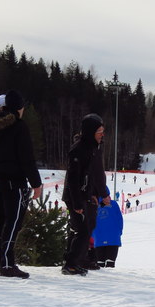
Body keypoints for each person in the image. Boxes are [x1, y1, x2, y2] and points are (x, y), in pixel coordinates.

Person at [0, 89, 42, 278]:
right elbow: (27, 157)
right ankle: (6, 263)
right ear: (18, 108)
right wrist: (36, 184)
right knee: (12, 223)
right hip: (14, 182)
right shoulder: (18, 126)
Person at [62, 114, 109, 275]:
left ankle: (75, 261)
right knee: (82, 229)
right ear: (90, 132)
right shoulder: (79, 149)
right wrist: (76, 202)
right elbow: (73, 179)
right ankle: (71, 263)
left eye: (102, 131)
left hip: (86, 194)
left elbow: (96, 175)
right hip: (76, 195)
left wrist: (98, 193)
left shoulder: (94, 148)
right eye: (99, 131)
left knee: (87, 228)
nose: (102, 135)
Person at [92, 189, 123, 268]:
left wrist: (92, 234)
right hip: (113, 237)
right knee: (110, 263)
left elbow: (90, 221)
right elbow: (119, 219)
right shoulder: (113, 204)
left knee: (100, 264)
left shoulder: (93, 205)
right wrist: (119, 231)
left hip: (98, 237)